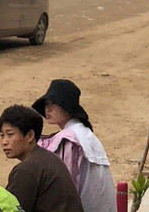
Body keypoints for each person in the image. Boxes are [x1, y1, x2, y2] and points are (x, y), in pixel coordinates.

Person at [32, 79, 114, 212]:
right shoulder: (85, 134)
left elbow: (64, 190)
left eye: (53, 103)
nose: (48, 109)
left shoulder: (70, 139)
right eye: (46, 104)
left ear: (67, 106)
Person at [0, 105, 83, 212]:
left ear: (30, 136)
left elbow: (10, 209)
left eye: (10, 134)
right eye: (1, 135)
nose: (4, 142)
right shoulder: (47, 158)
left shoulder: (27, 169)